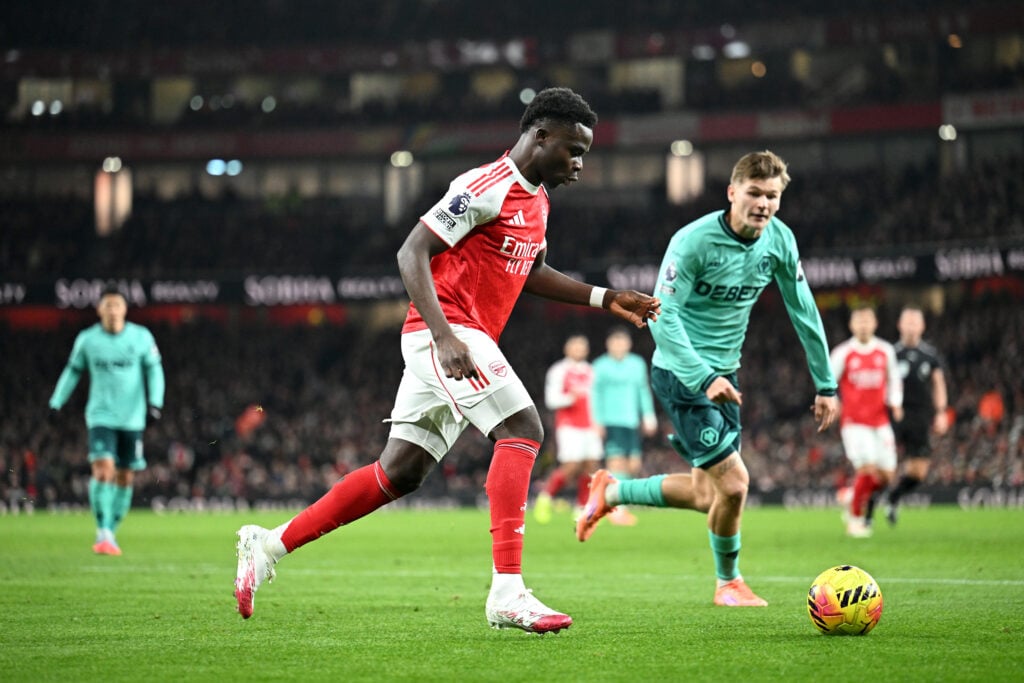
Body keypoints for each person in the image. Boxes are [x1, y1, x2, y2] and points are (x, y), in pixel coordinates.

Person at [233, 87, 661, 633]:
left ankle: (267, 544)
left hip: (464, 338)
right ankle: (508, 592)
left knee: (399, 473)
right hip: (447, 333)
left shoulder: (539, 201)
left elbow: (529, 271)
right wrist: (443, 336)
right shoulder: (484, 186)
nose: (579, 164)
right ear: (540, 135)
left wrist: (604, 297)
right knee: (522, 429)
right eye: (573, 150)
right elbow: (411, 251)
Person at [576, 150, 839, 608]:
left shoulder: (779, 241)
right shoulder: (692, 242)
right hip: (681, 374)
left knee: (705, 493)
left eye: (772, 196)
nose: (763, 203)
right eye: (755, 193)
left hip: (726, 376)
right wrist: (701, 375)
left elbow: (804, 310)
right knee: (735, 485)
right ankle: (728, 583)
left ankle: (611, 491)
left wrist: (825, 383)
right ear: (732, 192)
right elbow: (660, 316)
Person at [48, 284, 165, 555]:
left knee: (125, 477)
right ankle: (103, 532)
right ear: (100, 309)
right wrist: (56, 402)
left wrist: (155, 404)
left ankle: (110, 531)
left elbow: (155, 371)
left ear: (125, 309)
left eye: (117, 305)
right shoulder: (88, 340)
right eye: (107, 305)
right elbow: (72, 371)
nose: (112, 310)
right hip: (100, 416)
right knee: (103, 470)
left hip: (133, 419)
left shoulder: (141, 337)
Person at [830, 305, 903, 538]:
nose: (863, 325)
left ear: (875, 323)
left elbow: (894, 379)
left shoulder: (885, 351)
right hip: (854, 422)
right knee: (867, 470)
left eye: (867, 320)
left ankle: (851, 495)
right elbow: (827, 381)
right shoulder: (843, 353)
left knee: (887, 476)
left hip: (880, 421)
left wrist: (896, 402)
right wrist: (832, 401)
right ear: (852, 325)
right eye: (859, 321)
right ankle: (854, 518)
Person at [883, 305, 949, 525]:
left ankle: (893, 497)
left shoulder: (930, 355)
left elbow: (938, 384)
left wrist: (940, 412)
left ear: (922, 326)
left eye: (915, 322)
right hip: (893, 413)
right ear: (899, 325)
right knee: (883, 467)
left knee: (919, 471)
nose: (911, 326)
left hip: (920, 415)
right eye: (907, 321)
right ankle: (866, 512)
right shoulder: (890, 353)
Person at [590, 326, 658, 526]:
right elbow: (595, 395)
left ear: (628, 344)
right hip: (611, 420)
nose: (619, 346)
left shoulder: (636, 364)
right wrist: (597, 420)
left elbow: (643, 390)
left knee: (633, 464)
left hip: (631, 420)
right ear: (608, 344)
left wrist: (648, 415)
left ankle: (614, 502)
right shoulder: (600, 365)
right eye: (615, 342)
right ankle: (616, 509)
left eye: (622, 342)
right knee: (615, 463)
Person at [534, 335, 602, 524]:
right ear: (567, 349)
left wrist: (599, 422)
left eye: (582, 347)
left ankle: (582, 509)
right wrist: (570, 397)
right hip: (569, 426)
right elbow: (551, 400)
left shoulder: (591, 371)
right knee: (571, 466)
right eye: (576, 346)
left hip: (591, 425)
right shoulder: (559, 371)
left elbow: (597, 401)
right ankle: (545, 497)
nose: (579, 350)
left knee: (590, 466)